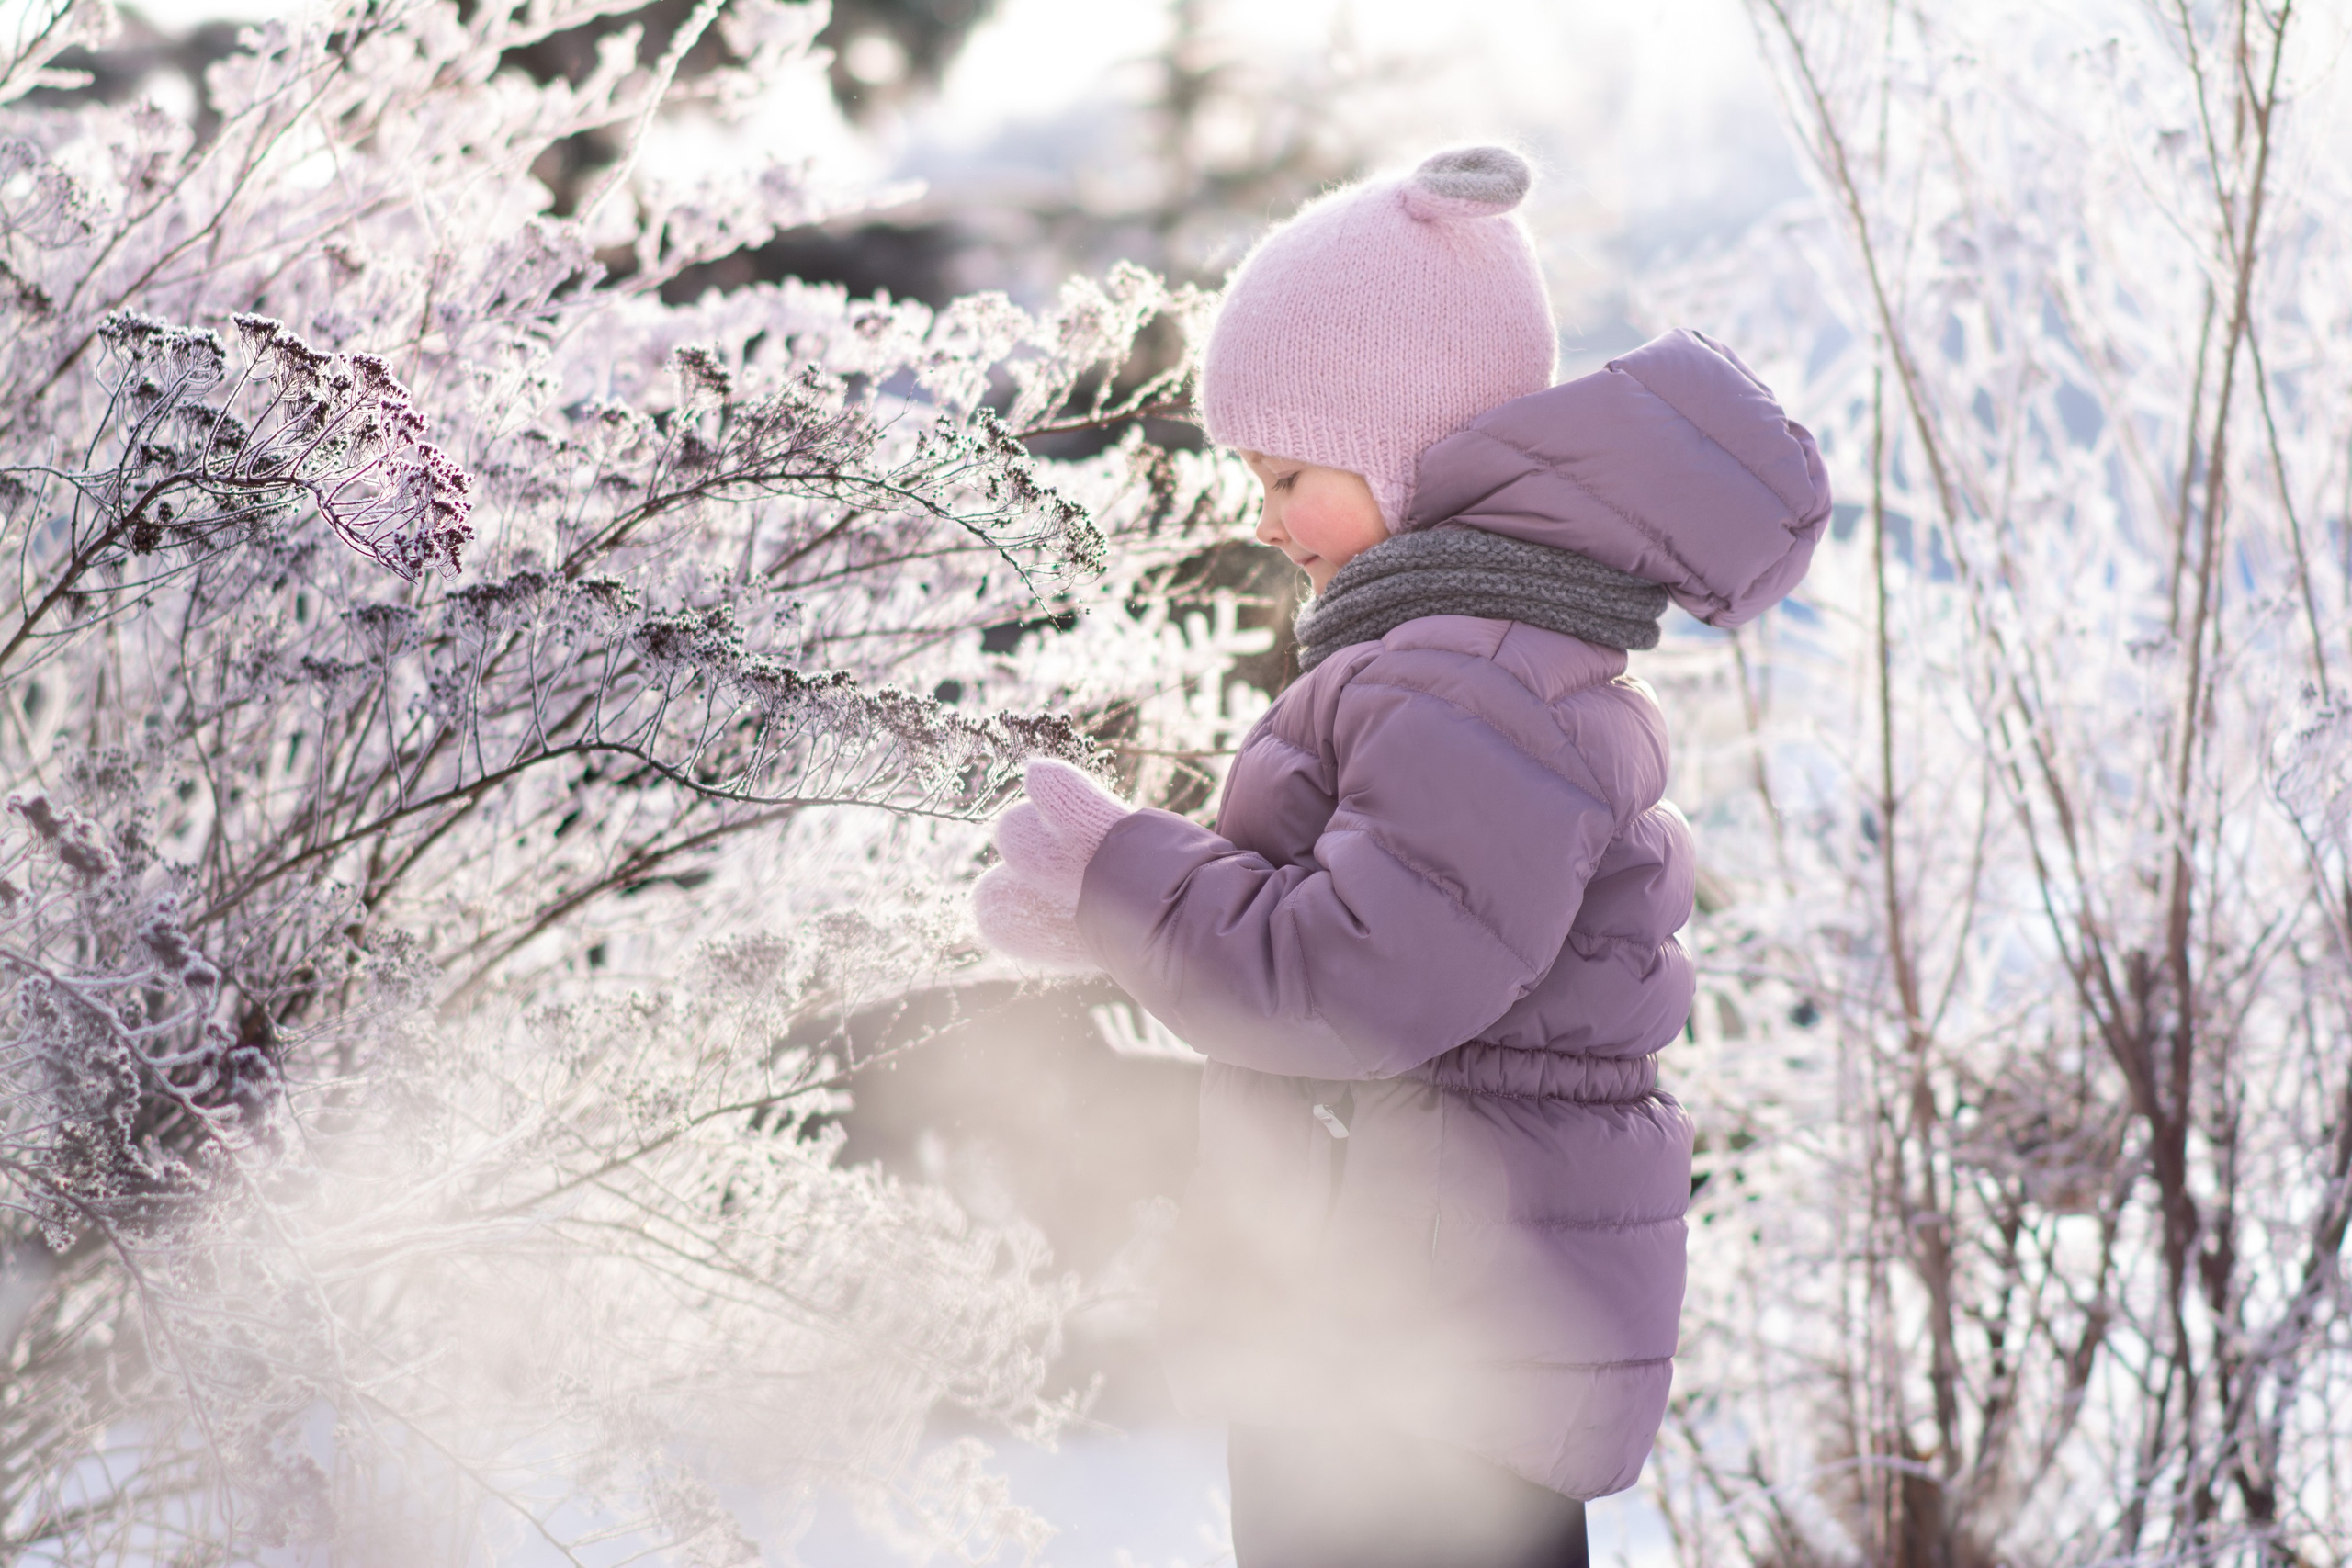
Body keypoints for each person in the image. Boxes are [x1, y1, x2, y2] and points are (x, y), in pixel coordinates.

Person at [973, 145, 1830, 1567]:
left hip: (1420, 1360)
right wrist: (1131, 910)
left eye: (1290, 471)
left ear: (1403, 451)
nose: (1260, 513)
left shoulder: (1467, 682)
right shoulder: (1471, 660)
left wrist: (1121, 873)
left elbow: (1355, 985)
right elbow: (1383, 927)